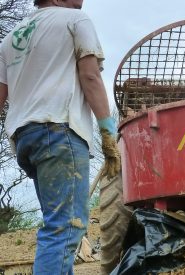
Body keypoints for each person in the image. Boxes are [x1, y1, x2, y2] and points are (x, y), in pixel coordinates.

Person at [0, 0, 120, 274]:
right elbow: (90, 77)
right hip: (59, 131)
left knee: (58, 227)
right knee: (64, 229)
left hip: (24, 138)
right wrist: (107, 132)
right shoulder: (75, 20)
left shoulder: (11, 37)